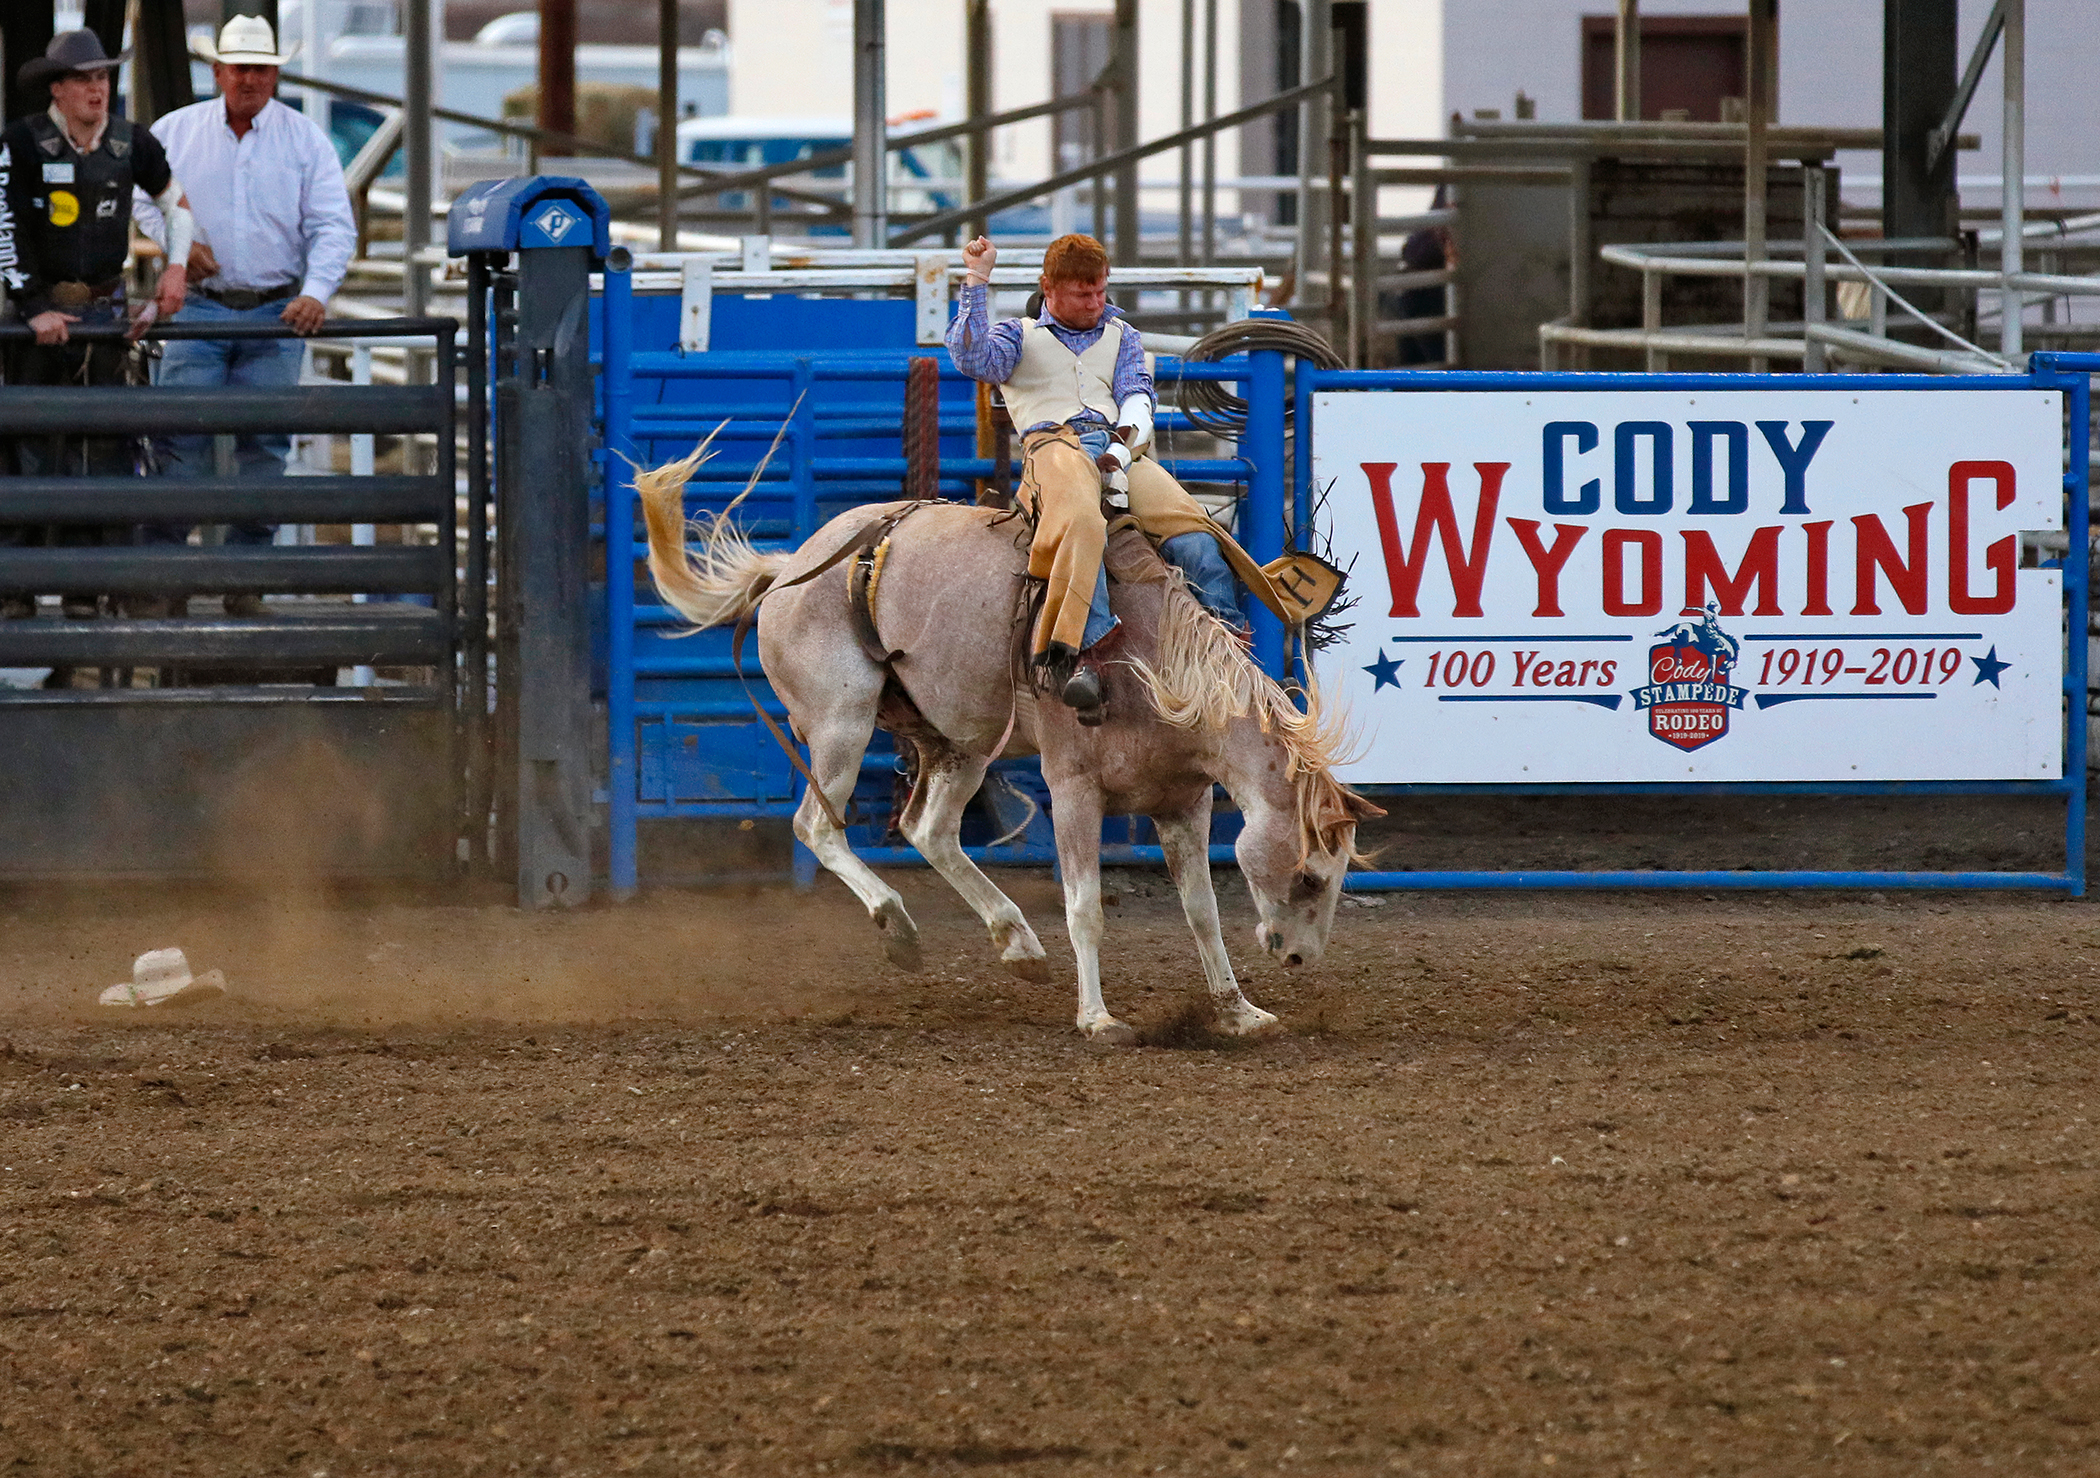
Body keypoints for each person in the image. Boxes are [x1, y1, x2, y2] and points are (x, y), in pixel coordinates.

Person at [945, 232, 1248, 723]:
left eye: (1100, 291)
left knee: (1194, 530)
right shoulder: (1018, 336)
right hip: (1052, 446)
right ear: (1049, 288)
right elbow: (970, 357)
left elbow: (1137, 392)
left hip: (1117, 447)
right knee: (1083, 522)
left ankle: (1228, 645)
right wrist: (977, 279)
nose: (1094, 302)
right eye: (1083, 293)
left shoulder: (1122, 335)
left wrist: (1121, 444)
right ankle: (1088, 653)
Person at [132, 15, 356, 616]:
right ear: (219, 72)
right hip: (209, 308)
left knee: (261, 444)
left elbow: (334, 226)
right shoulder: (176, 132)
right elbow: (141, 199)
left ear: (274, 73)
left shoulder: (303, 140)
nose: (250, 78)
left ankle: (236, 577)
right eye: (241, 68)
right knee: (183, 439)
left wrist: (315, 291)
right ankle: (168, 578)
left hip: (274, 310)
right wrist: (180, 246)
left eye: (259, 68)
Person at [0, 29, 192, 626]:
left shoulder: (130, 141)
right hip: (40, 314)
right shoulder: (21, 143)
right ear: (57, 88)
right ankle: (20, 584)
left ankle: (87, 583)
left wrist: (175, 267)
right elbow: (2, 225)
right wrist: (32, 307)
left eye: (104, 76)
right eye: (84, 78)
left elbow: (175, 202)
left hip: (105, 314)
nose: (97, 88)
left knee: (102, 449)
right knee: (29, 448)